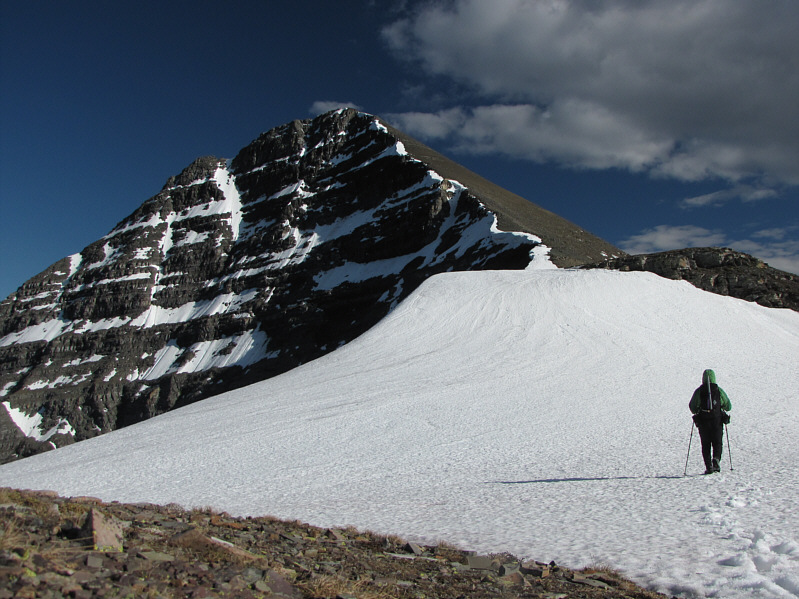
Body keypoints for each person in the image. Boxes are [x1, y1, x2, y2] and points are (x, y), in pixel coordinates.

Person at [689, 369, 732, 474]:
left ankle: (708, 466)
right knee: (717, 442)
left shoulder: (699, 391)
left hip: (703, 422)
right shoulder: (718, 390)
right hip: (717, 421)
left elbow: (692, 407)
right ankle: (716, 459)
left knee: (706, 444)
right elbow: (728, 406)